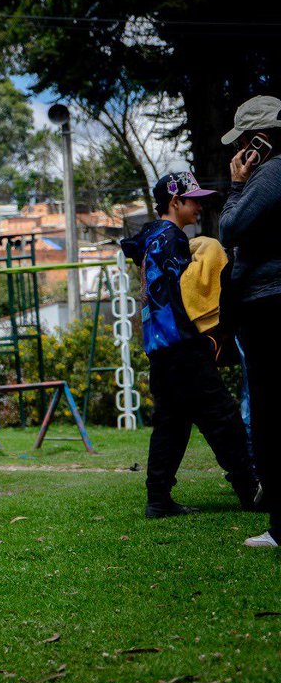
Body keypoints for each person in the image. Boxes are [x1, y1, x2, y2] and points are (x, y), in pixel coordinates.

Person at [120, 171, 259, 519]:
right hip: (182, 344)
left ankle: (158, 498)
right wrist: (210, 333)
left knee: (171, 422)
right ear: (175, 201)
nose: (199, 206)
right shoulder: (171, 239)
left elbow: (134, 249)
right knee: (222, 416)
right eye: (193, 199)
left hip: (158, 347)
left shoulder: (152, 236)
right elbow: (182, 295)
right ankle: (249, 491)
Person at [219, 95, 281, 548]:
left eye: (244, 140)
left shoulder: (271, 174)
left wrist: (237, 183)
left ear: (259, 137)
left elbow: (230, 228)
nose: (241, 149)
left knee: (269, 414)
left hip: (268, 303)